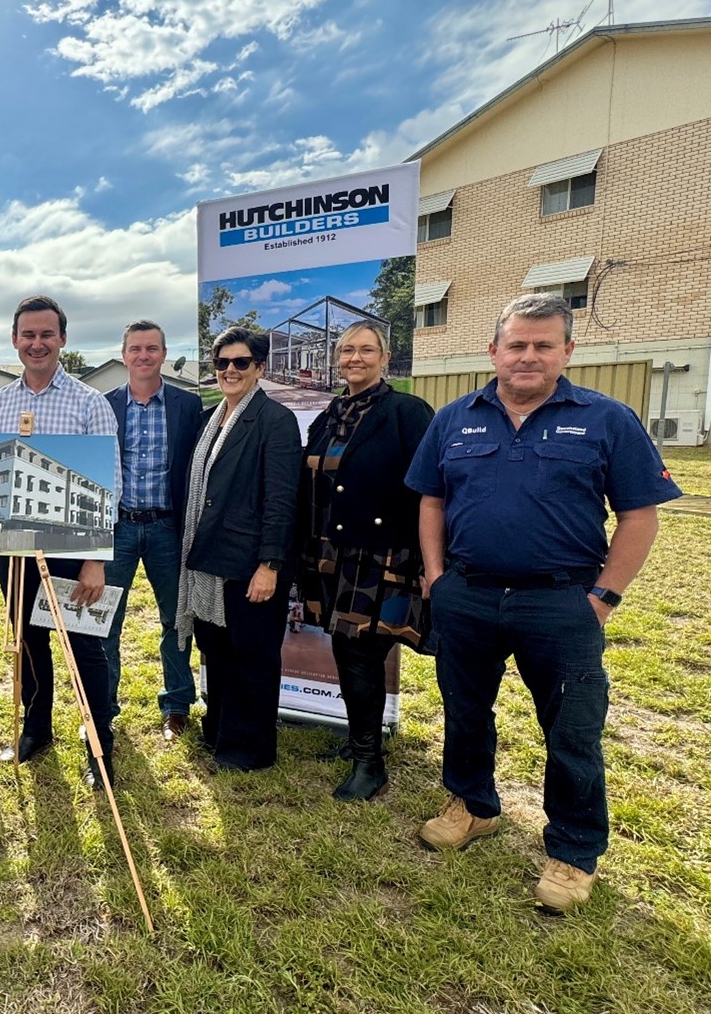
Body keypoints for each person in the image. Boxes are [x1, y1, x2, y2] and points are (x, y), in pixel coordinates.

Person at [405, 293, 681, 914]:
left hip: (561, 602)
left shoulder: (606, 419)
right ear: (494, 351)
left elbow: (639, 514)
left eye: (543, 345)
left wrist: (604, 597)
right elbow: (431, 501)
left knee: (572, 731)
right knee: (466, 712)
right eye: (516, 345)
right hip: (468, 595)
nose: (527, 356)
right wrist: (436, 576)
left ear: (567, 352)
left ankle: (574, 851)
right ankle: (472, 806)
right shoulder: (454, 419)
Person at [0, 294, 121, 789]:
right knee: (28, 643)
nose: (36, 344)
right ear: (15, 340)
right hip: (13, 550)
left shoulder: (90, 403)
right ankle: (36, 731)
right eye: (27, 335)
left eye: (46, 334)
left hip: (72, 551)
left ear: (62, 339)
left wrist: (94, 561)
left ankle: (99, 743)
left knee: (84, 649)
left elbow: (110, 487)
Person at [297, 321, 434, 801]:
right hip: (328, 554)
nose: (355, 358)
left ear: (385, 357)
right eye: (347, 350)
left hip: (382, 556)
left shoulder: (406, 412)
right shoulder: (329, 415)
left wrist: (427, 561)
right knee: (349, 652)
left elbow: (432, 490)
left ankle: (369, 764)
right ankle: (363, 742)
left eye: (366, 350)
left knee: (359, 655)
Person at [176, 328, 301, 772]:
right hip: (211, 560)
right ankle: (220, 732)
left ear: (260, 368)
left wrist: (269, 565)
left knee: (252, 657)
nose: (230, 370)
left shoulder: (276, 420)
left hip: (250, 563)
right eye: (222, 363)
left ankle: (248, 750)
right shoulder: (212, 419)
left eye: (241, 362)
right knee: (219, 650)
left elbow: (282, 500)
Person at [102, 320, 202, 740]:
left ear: (163, 353)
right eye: (135, 348)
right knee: (104, 620)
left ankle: (177, 704)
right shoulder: (104, 405)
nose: (143, 356)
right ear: (123, 354)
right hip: (118, 528)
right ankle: (102, 705)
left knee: (175, 620)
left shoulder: (188, 405)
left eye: (152, 348)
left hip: (167, 527)